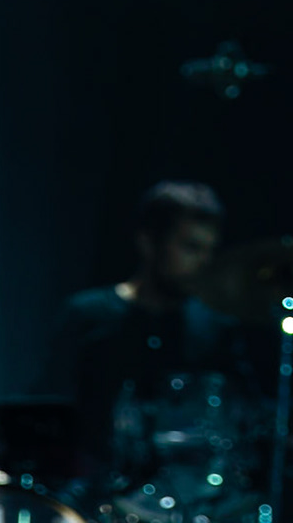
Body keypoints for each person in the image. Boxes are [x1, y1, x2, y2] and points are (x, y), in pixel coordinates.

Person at [44, 182, 256, 490]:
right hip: (94, 493)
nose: (202, 262)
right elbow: (50, 409)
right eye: (190, 247)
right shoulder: (88, 315)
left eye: (208, 250)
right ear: (148, 242)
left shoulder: (215, 327)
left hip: (192, 495)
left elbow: (248, 412)